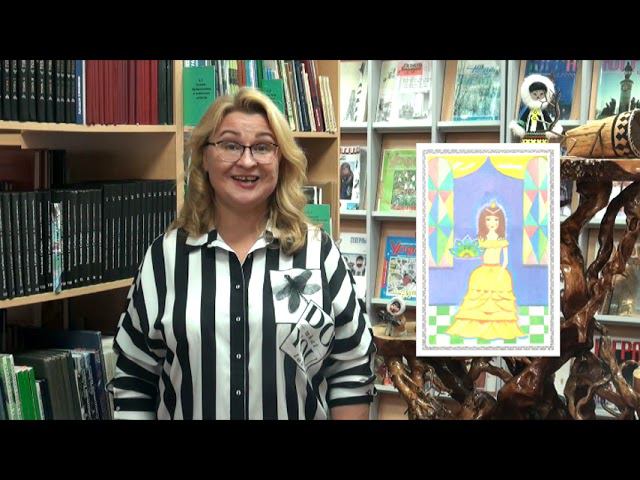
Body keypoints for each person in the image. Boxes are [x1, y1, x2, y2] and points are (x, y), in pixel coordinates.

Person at [110, 88, 375, 420]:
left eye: (262, 147)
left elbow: (351, 369)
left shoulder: (319, 255)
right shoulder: (165, 258)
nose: (247, 161)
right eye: (230, 145)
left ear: (281, 159)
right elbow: (134, 376)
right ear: (204, 158)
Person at [446, 201, 525, 340]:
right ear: (483, 221)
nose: (492, 222)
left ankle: (500, 325)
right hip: (483, 271)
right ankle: (477, 323)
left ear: (500, 222)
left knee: (498, 298)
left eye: (495, 220)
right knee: (478, 295)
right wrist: (467, 254)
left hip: (498, 270)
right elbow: (477, 254)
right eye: (488, 219)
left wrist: (501, 271)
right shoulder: (481, 240)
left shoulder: (502, 240)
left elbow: (505, 260)